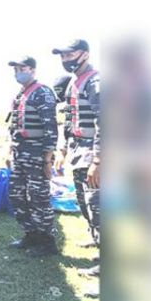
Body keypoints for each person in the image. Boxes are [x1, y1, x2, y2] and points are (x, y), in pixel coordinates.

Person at [52, 39, 101, 280]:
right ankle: (98, 242)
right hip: (78, 152)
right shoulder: (74, 82)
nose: (65, 59)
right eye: (62, 55)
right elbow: (69, 120)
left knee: (98, 205)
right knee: (85, 204)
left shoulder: (96, 82)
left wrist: (98, 161)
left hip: (93, 153)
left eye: (70, 54)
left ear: (85, 54)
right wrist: (62, 150)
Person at [6, 57, 59, 257]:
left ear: (33, 70)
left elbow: (50, 128)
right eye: (16, 69)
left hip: (37, 154)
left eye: (22, 68)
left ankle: (47, 242)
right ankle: (31, 234)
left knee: (39, 198)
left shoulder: (42, 93)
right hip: (20, 153)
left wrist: (48, 158)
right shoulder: (21, 94)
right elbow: (15, 126)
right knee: (17, 195)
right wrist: (10, 150)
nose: (18, 72)